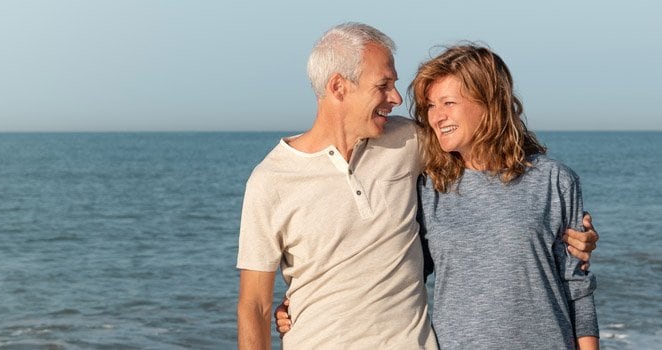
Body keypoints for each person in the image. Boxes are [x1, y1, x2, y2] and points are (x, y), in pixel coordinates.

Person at [239, 23, 598, 349]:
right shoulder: (272, 180)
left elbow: (489, 158)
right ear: (338, 87)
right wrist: (300, 301)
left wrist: (573, 235)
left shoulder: (410, 141)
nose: (396, 98)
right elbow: (254, 304)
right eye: (383, 85)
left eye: (395, 85)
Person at [412, 44, 599, 349]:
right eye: (431, 106)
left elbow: (578, 286)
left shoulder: (554, 180)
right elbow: (404, 276)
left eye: (448, 102)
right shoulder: (428, 188)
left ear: (489, 102)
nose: (436, 117)